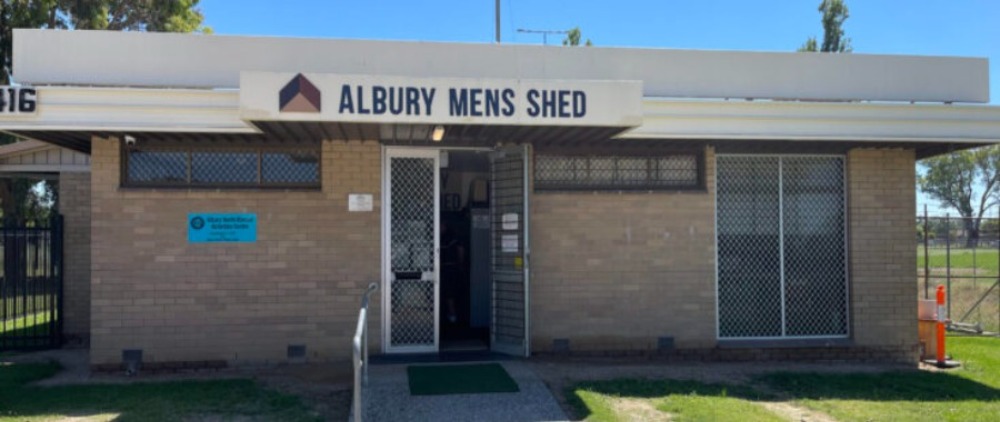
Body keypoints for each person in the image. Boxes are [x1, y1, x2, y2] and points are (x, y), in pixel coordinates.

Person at [440, 222, 465, 324]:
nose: (439, 228)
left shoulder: (451, 238)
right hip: (446, 268)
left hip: (450, 268)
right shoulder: (442, 238)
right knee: (448, 291)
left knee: (450, 291)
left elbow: (461, 250)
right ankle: (450, 314)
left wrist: (460, 264)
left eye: (441, 226)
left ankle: (452, 314)